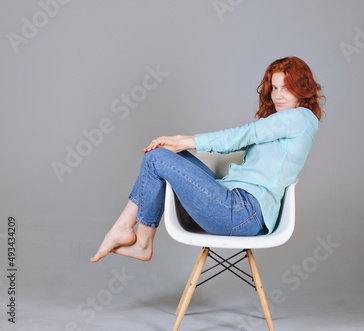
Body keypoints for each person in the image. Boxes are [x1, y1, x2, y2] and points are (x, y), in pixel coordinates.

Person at [91, 56, 324, 262]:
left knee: (157, 157)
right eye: (274, 88)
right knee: (164, 154)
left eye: (286, 88)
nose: (277, 96)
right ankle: (134, 237)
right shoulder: (289, 122)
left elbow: (241, 136)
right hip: (236, 207)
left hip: (241, 211)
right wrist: (184, 145)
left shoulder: (300, 117)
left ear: (302, 88)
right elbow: (236, 142)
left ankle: (135, 237)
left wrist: (186, 139)